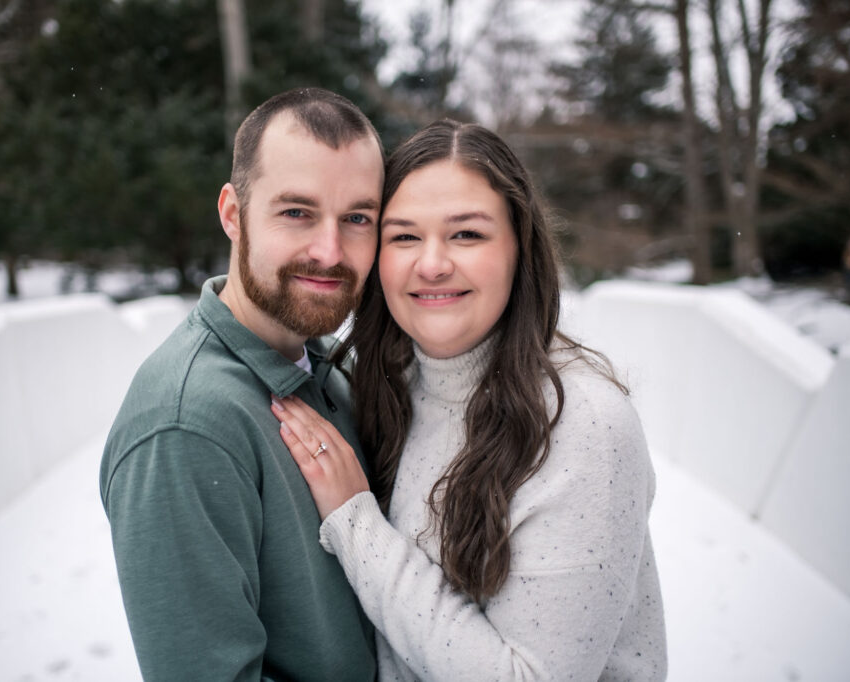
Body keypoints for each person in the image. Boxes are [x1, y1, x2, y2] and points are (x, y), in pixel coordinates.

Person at [270, 120, 668, 681]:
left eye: (467, 235)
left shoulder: (585, 427)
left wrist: (356, 526)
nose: (431, 263)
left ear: (518, 250)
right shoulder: (389, 386)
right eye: (404, 236)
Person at [99, 88, 384, 681]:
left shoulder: (327, 361)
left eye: (357, 218)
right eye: (297, 212)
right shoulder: (186, 426)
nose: (330, 252)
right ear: (233, 213)